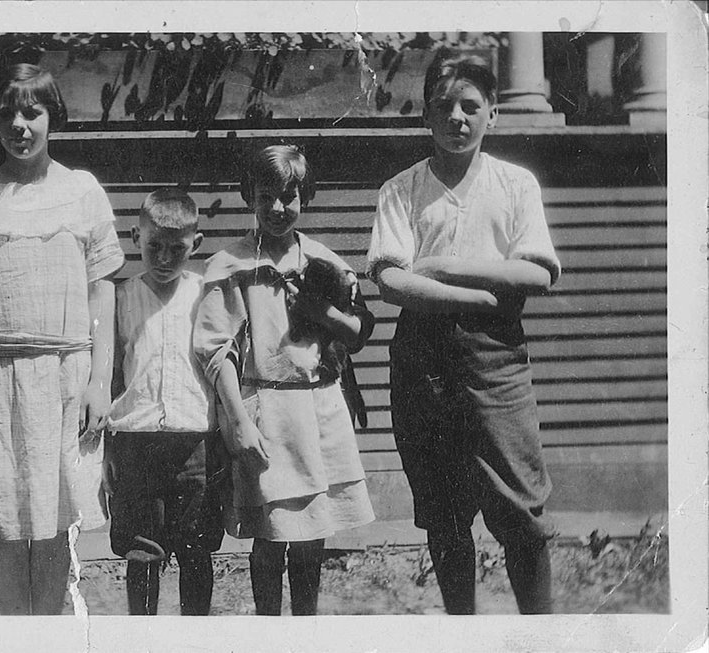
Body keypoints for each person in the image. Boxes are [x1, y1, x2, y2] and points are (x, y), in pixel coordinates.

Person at [366, 51, 562, 615]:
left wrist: (448, 268)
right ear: (426, 115)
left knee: (520, 511)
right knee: (446, 516)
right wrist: (475, 297)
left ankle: (540, 634)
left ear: (492, 114)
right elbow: (392, 281)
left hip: (497, 363)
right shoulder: (401, 190)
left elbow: (537, 272)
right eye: (443, 107)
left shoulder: (515, 184)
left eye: (471, 106)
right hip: (423, 364)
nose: (458, 118)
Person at [0, 63, 123, 615]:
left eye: (32, 112)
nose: (19, 125)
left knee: (55, 516)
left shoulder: (83, 192)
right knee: (6, 518)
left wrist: (99, 383)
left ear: (52, 118)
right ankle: (17, 630)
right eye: (6, 113)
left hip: (64, 377)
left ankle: (52, 630)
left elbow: (101, 294)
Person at [194, 145, 376, 616]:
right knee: (272, 536)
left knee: (314, 535)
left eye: (289, 197)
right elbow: (215, 350)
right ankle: (269, 632)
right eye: (266, 196)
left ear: (305, 197)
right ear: (249, 197)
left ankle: (306, 630)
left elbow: (357, 333)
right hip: (266, 413)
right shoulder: (231, 266)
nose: (277, 208)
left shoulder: (324, 264)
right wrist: (238, 422)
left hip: (319, 411)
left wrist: (323, 310)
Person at [104, 188, 224, 616]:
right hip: (137, 443)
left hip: (196, 444)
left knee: (195, 548)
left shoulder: (207, 293)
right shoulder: (120, 297)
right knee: (143, 551)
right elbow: (111, 377)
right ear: (135, 237)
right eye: (154, 246)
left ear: (196, 243)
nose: (165, 259)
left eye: (177, 248)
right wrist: (107, 450)